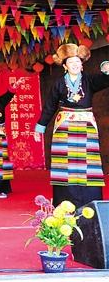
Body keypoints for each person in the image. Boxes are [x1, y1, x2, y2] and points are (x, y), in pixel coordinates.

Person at [35, 43, 109, 208]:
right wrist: (40, 126)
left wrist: (106, 69)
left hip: (86, 126)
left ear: (82, 65)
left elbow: (105, 80)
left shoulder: (89, 80)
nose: (75, 65)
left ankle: (90, 202)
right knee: (65, 164)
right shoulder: (59, 83)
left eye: (77, 62)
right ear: (65, 66)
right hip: (64, 126)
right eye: (71, 62)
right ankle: (65, 202)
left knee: (88, 163)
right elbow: (50, 106)